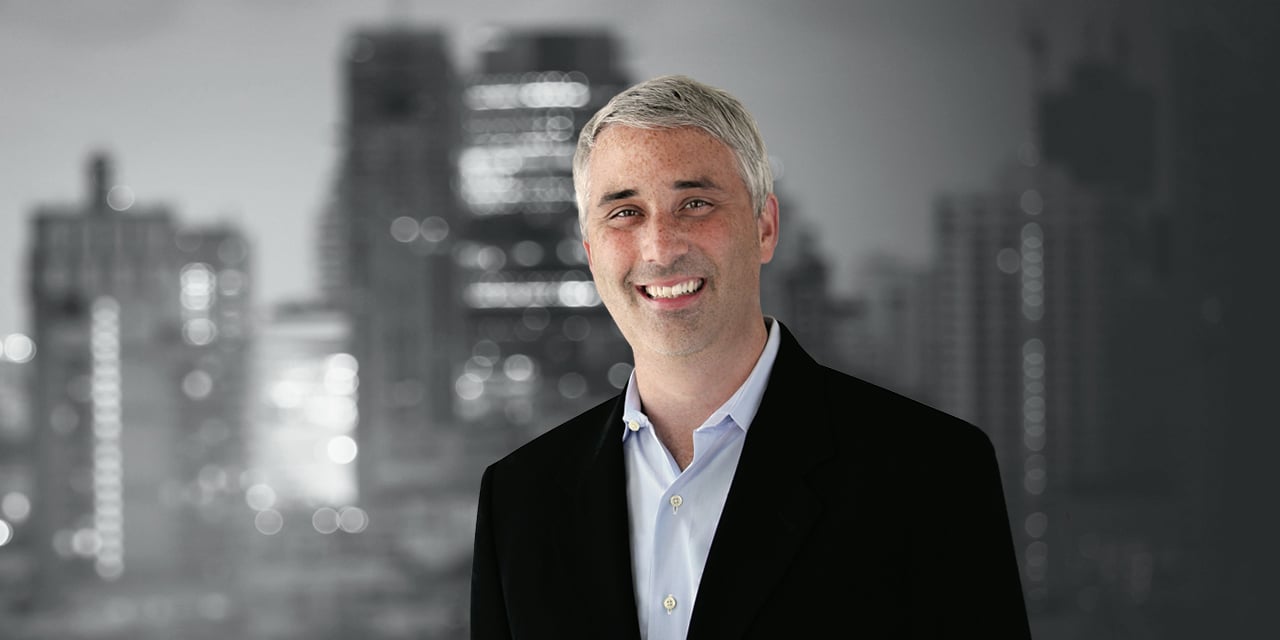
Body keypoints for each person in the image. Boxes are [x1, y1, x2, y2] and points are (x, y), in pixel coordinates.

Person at [470, 75, 1030, 639]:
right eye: (624, 212)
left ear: (765, 227)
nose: (661, 247)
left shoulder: (931, 474)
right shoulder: (519, 500)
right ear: (591, 253)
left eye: (695, 203)